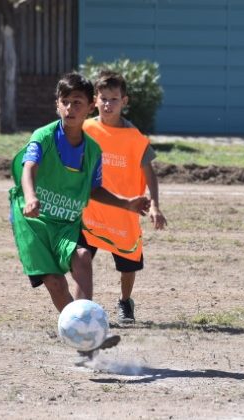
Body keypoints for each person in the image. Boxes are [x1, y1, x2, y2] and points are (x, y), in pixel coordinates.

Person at [8, 72, 150, 355]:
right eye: (65, 102)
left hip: (65, 220)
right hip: (33, 220)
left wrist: (126, 203)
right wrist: (32, 196)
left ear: (89, 107)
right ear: (57, 105)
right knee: (55, 282)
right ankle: (83, 340)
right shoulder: (44, 137)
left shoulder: (93, 150)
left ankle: (86, 332)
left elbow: (94, 189)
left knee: (83, 256)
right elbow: (28, 168)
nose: (70, 108)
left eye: (77, 103)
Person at [80, 70, 168, 325]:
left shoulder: (135, 138)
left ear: (124, 101)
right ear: (95, 100)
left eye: (114, 99)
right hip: (91, 210)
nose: (108, 104)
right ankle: (81, 306)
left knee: (128, 265)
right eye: (103, 98)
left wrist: (155, 206)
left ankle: (124, 302)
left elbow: (149, 174)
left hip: (125, 211)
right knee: (80, 258)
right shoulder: (85, 129)